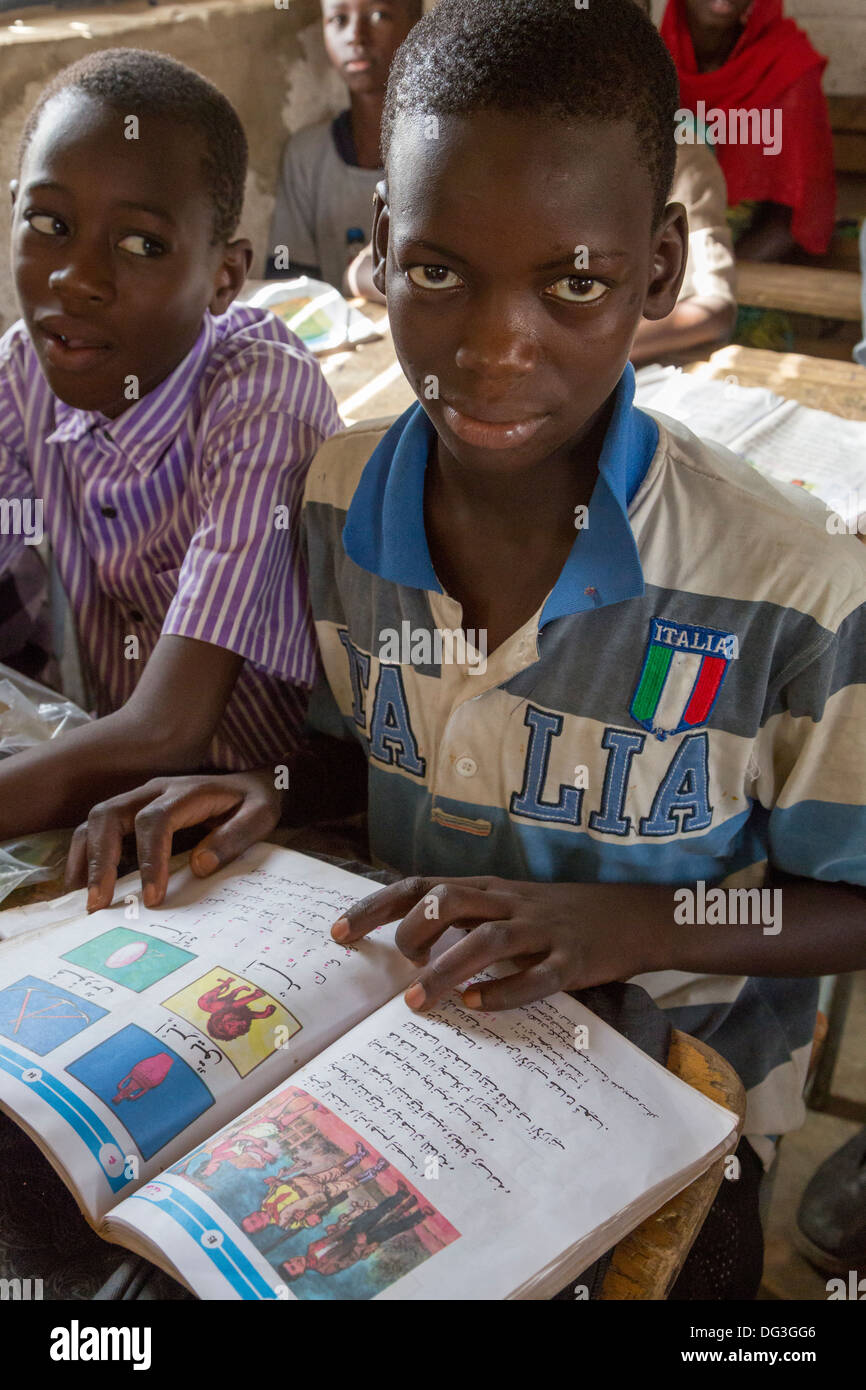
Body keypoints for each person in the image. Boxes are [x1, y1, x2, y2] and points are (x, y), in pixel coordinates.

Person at [68, 0, 866, 1298]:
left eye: (574, 283)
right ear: (378, 252)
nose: (497, 349)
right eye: (440, 272)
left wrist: (627, 922)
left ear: (657, 270)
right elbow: (350, 765)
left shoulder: (790, 594)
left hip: (668, 1104)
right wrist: (262, 801)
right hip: (397, 1068)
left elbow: (849, 901)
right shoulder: (333, 507)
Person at [0, 48, 341, 851]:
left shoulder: (260, 398)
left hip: (278, 819)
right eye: (49, 225)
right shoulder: (25, 367)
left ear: (225, 278)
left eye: (142, 246)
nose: (77, 278)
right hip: (115, 801)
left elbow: (167, 730)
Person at [660, 0, 836, 261]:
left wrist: (711, 284)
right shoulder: (653, 62)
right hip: (668, 261)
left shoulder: (789, 66)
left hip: (748, 264)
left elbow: (787, 225)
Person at [267, 0, 422, 288]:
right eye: (339, 20)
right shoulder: (307, 155)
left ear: (416, 26)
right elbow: (287, 282)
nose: (355, 35)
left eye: (379, 16)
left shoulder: (440, 150)